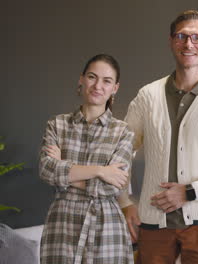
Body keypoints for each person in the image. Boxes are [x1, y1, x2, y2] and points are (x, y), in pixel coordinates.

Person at [119, 10, 198, 264]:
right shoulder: (148, 95)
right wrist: (125, 202)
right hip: (153, 220)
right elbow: (121, 150)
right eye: (181, 36)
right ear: (171, 41)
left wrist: (190, 192)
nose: (189, 44)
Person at [39, 54, 134, 263]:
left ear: (114, 88)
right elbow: (47, 170)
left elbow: (112, 188)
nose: (98, 85)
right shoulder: (57, 124)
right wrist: (100, 171)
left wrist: (64, 172)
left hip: (106, 228)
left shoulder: (123, 132)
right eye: (92, 77)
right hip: (61, 225)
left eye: (107, 81)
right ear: (81, 79)